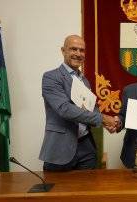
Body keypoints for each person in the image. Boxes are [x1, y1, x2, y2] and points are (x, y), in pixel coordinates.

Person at [39, 35, 116, 171]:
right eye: (73, 49)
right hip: (60, 147)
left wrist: (105, 123)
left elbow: (91, 109)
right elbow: (65, 109)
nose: (78, 54)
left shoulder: (84, 81)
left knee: (88, 190)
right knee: (58, 191)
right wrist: (102, 118)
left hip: (86, 146)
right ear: (63, 51)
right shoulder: (51, 77)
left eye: (82, 50)